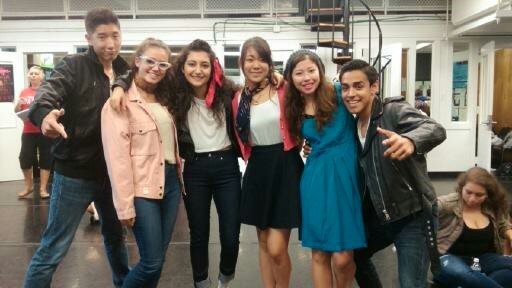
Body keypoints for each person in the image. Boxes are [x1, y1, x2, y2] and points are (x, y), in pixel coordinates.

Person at [111, 39, 243, 288]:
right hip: (194, 169)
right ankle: (201, 283)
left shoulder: (227, 92)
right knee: (199, 234)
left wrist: (276, 76)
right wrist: (119, 86)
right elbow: (141, 71)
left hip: (227, 167)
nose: (198, 70)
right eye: (191, 64)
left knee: (230, 234)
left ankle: (225, 277)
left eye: (204, 65)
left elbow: (254, 90)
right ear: (182, 67)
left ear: (213, 67)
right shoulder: (173, 93)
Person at [24, 8, 129, 287]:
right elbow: (47, 92)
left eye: (115, 36)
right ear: (89, 37)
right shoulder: (73, 66)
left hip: (112, 176)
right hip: (75, 172)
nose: (110, 43)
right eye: (102, 36)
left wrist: (120, 83)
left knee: (117, 240)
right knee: (54, 246)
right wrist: (44, 113)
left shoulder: (123, 69)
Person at [339, 59, 446, 288]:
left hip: (413, 214)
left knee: (411, 283)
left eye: (358, 86)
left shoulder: (392, 110)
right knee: (353, 255)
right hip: (381, 215)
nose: (351, 93)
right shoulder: (354, 122)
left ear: (374, 87)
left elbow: (435, 129)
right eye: (345, 87)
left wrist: (410, 140)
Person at [101, 38, 182, 288]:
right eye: (150, 61)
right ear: (137, 62)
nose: (156, 68)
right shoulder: (119, 102)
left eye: (163, 64)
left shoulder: (164, 97)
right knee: (151, 262)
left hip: (170, 183)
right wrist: (124, 206)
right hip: (141, 188)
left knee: (157, 259)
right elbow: (117, 159)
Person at [284, 50, 366, 287]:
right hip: (315, 179)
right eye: (299, 73)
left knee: (342, 257)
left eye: (311, 70)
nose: (306, 77)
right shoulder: (293, 106)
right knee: (319, 253)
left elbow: (367, 103)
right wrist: (307, 147)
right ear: (290, 77)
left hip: (345, 177)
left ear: (320, 70)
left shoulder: (340, 93)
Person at [233, 36, 303, 288]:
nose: (256, 65)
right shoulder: (239, 98)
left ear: (269, 63)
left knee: (276, 247)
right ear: (241, 63)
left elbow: (310, 94)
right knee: (262, 242)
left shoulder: (283, 88)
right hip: (258, 167)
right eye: (250, 59)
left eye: (262, 59)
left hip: (285, 166)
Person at [435, 167, 512, 288]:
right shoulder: (446, 204)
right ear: (461, 188)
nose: (472, 199)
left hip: (484, 259)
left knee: (507, 274)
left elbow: (503, 225)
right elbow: (422, 213)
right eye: (468, 192)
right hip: (451, 259)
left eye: (479, 195)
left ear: (488, 194)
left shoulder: (492, 205)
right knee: (460, 273)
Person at [14, 65, 52, 199]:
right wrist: (18, 105)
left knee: (45, 158)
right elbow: (17, 111)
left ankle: (43, 189)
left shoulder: (46, 91)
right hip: (28, 131)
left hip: (44, 130)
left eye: (36, 73)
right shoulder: (24, 92)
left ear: (42, 76)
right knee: (24, 158)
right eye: (31, 73)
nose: (33, 76)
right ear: (28, 76)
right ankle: (28, 186)